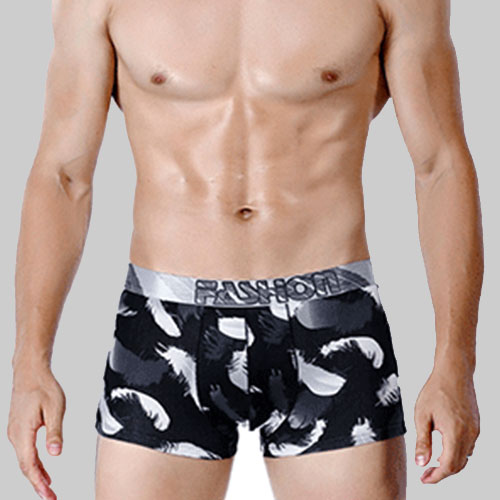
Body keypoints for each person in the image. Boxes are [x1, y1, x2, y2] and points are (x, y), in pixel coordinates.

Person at [7, 0, 483, 499]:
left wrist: (456, 362)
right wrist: (30, 362)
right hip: (166, 317)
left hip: (329, 314)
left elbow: (440, 164)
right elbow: (63, 175)